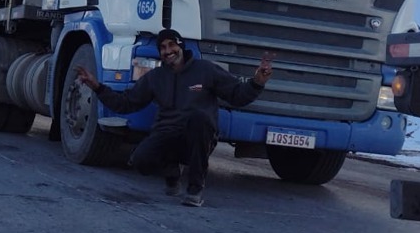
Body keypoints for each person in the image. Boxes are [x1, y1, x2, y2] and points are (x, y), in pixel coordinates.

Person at [75, 28, 273, 207]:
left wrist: (257, 83)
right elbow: (126, 103)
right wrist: (97, 87)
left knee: (199, 119)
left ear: (181, 47)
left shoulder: (205, 70)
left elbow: (237, 95)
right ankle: (171, 172)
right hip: (167, 135)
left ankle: (195, 189)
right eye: (162, 47)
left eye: (171, 45)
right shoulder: (155, 77)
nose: (167, 50)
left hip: (197, 138)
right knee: (141, 160)